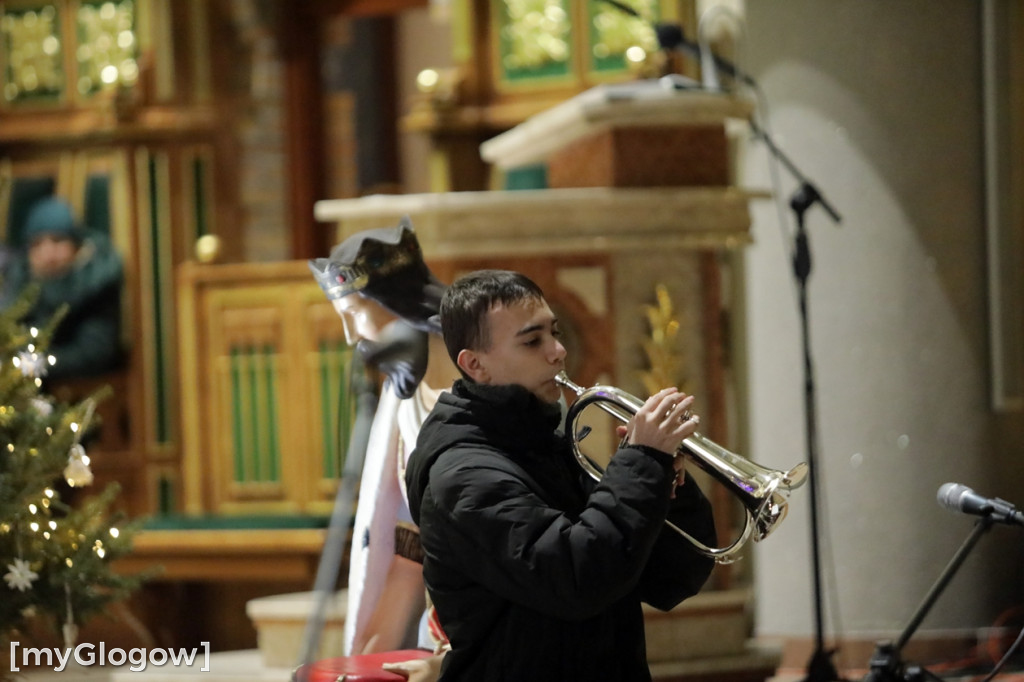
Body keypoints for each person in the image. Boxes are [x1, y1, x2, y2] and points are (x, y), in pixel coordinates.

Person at [404, 269, 718, 681]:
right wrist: (639, 465)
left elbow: (669, 582)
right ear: (475, 364)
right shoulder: (462, 476)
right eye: (533, 341)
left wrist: (665, 485)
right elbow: (576, 579)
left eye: (555, 332)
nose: (558, 351)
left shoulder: (542, 441)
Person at [309, 218, 456, 663]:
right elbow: (411, 538)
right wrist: (372, 652)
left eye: (354, 314)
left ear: (393, 302)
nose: (352, 337)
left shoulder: (472, 385)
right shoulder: (405, 391)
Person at [2, 196, 124, 380]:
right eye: (37, 244)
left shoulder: (96, 284)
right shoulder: (19, 283)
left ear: (77, 246)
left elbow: (93, 353)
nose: (48, 254)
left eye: (58, 241)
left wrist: (32, 366)